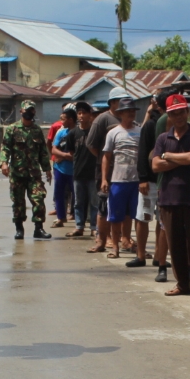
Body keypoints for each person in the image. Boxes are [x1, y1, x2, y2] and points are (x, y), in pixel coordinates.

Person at [152, 94, 190, 297]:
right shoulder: (163, 138)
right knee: (175, 245)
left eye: (181, 112)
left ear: (187, 112)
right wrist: (183, 159)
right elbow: (154, 165)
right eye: (174, 113)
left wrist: (168, 157)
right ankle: (182, 285)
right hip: (168, 198)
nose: (178, 116)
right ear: (168, 115)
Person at [85, 87, 131, 254]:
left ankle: (124, 239)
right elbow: (90, 144)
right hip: (106, 171)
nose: (124, 105)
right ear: (112, 103)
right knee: (104, 206)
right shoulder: (103, 119)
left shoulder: (128, 118)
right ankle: (102, 239)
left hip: (125, 172)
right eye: (120, 101)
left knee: (124, 207)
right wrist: (106, 159)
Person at [1, 100, 51, 240]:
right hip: (17, 173)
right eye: (27, 110)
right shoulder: (12, 129)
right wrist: (4, 163)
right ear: (21, 111)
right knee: (18, 201)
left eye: (32, 110)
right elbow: (5, 147)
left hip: (34, 173)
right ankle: (19, 229)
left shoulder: (37, 130)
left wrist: (47, 169)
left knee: (39, 199)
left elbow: (43, 152)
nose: (29, 113)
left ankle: (38, 228)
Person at [101, 98, 142, 259]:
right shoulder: (113, 133)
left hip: (137, 180)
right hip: (118, 180)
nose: (131, 113)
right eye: (127, 111)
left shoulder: (140, 131)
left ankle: (133, 243)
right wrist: (105, 179)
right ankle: (115, 247)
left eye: (133, 110)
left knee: (135, 215)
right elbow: (106, 157)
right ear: (120, 113)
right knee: (115, 215)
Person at [132, 94, 164, 269]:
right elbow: (143, 151)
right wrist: (143, 178)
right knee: (143, 217)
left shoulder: (171, 124)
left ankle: (159, 256)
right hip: (149, 180)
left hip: (164, 180)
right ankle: (141, 255)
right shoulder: (151, 124)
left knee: (162, 220)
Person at [68, 102, 98, 238]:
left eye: (84, 113)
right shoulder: (73, 133)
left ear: (89, 115)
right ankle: (79, 226)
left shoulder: (95, 131)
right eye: (79, 113)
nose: (81, 116)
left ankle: (94, 227)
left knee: (94, 202)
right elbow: (71, 152)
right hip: (78, 173)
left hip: (93, 173)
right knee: (78, 202)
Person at [51, 105, 77, 229]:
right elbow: (54, 149)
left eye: (64, 119)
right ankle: (61, 218)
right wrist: (65, 155)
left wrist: (69, 156)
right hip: (60, 168)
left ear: (71, 119)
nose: (62, 122)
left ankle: (79, 220)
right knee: (59, 193)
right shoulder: (61, 132)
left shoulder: (78, 133)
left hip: (75, 170)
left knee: (77, 195)